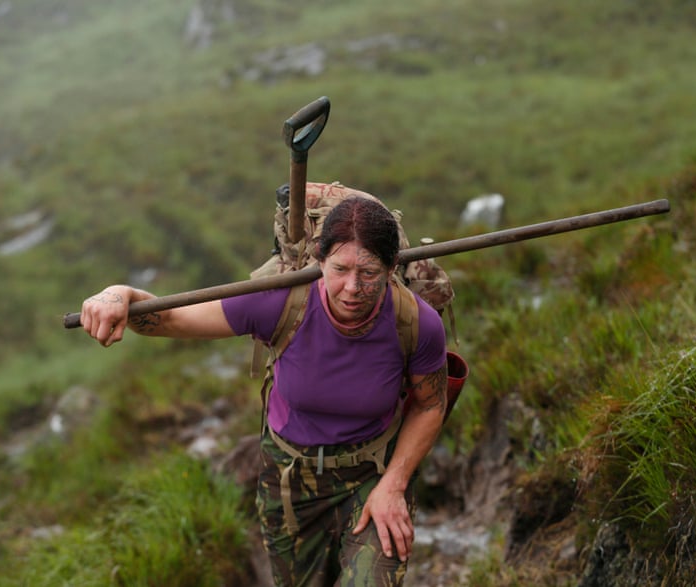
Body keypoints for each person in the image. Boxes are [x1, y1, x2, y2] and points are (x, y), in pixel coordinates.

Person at [81, 196, 448, 586]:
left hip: (373, 473)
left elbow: (430, 405)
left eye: (370, 272)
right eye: (340, 269)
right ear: (320, 261)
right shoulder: (279, 301)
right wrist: (120, 294)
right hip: (291, 482)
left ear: (393, 268)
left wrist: (394, 484)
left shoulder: (415, 324)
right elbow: (170, 318)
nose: (353, 288)